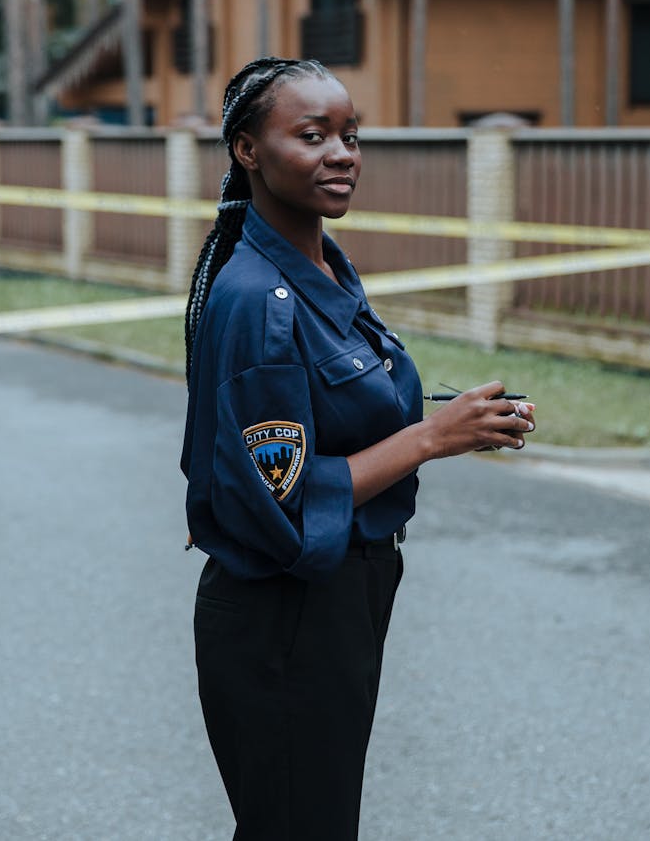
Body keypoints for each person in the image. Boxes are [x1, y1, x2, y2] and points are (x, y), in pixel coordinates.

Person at [180, 56, 536, 841]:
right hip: (287, 615)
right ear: (248, 149)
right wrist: (427, 439)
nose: (342, 153)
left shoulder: (319, 263)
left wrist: (457, 418)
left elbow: (327, 411)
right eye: (312, 135)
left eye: (349, 134)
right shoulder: (258, 299)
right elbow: (282, 499)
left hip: (340, 600)